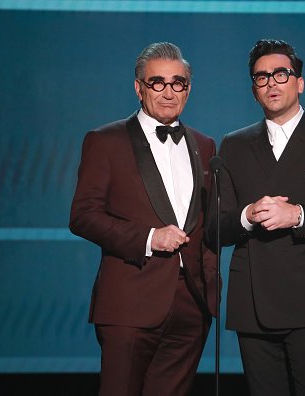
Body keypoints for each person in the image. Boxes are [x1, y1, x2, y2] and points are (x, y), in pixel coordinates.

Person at [207, 39, 305, 395]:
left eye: (281, 73)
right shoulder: (233, 144)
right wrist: (247, 216)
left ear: (300, 82)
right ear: (253, 89)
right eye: (261, 77)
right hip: (253, 301)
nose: (271, 83)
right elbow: (215, 228)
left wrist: (297, 215)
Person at [70, 42, 217, 396]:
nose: (168, 92)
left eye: (177, 83)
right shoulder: (105, 141)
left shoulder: (205, 145)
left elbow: (209, 221)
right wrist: (149, 238)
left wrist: (211, 290)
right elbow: (83, 216)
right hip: (130, 303)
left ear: (188, 89)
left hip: (192, 305)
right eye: (157, 82)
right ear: (139, 88)